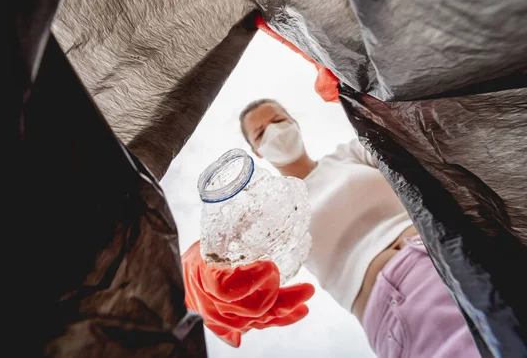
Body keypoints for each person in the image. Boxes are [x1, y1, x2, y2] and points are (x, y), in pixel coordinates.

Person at [182, 99, 481, 358]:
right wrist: (201, 271)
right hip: (401, 302)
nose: (274, 131)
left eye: (278, 120)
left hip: (457, 255)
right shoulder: (267, 211)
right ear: (256, 152)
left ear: (295, 123)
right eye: (261, 132)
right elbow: (226, 256)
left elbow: (411, 144)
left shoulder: (348, 155)